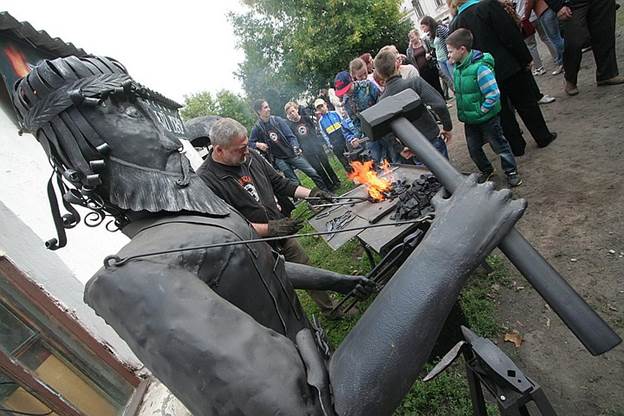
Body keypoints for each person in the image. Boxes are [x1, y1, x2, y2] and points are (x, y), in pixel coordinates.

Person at [14, 54, 528, 416]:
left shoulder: (191, 219)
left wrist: (337, 281)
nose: (164, 131)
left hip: (313, 352)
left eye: (144, 107)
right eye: (126, 111)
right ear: (86, 152)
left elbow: (260, 271)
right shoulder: (135, 277)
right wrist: (445, 252)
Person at [196, 117, 343, 315]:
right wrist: (269, 229)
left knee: (306, 270)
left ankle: (331, 310)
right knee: (279, 289)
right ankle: (300, 334)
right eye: (239, 149)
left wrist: (312, 194)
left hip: (280, 232)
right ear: (219, 150)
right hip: (254, 247)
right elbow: (225, 227)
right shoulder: (206, 181)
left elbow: (279, 183)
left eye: (246, 145)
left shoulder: (252, 157)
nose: (246, 151)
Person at [450, 0, 558, 156]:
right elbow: (510, 34)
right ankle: (542, 136)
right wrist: (525, 58)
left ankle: (516, 147)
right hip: (509, 66)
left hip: (484, 77)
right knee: (526, 103)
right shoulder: (488, 6)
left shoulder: (455, 24)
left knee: (502, 113)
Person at [447, 29, 523, 187]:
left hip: (487, 118)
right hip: (470, 119)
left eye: (450, 51)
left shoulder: (480, 68)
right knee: (474, 149)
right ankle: (487, 171)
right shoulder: (458, 68)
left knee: (499, 145)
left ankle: (511, 172)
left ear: (462, 49)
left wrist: (482, 110)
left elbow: (493, 93)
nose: (448, 55)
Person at [374, 47, 452, 161]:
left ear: (380, 74)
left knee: (427, 178)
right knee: (447, 175)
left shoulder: (382, 102)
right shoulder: (415, 82)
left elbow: (384, 131)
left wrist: (399, 148)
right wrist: (447, 127)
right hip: (431, 137)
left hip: (413, 147)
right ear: (397, 64)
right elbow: (439, 104)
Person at [545, 0, 623, 95]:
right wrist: (557, 6)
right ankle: (570, 79)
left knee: (605, 33)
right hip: (572, 3)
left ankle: (606, 74)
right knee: (574, 41)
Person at [249, 99, 329, 191]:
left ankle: (325, 192)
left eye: (268, 106)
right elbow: (249, 143)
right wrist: (257, 144)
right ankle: (311, 201)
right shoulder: (257, 128)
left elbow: (291, 136)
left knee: (312, 172)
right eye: (266, 107)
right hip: (279, 158)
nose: (269, 109)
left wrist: (295, 146)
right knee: (294, 181)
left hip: (291, 152)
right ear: (259, 111)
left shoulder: (277, 120)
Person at [336, 68, 391, 163]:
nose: (346, 92)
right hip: (369, 135)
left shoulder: (368, 86)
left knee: (395, 157)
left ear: (352, 81)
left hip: (385, 129)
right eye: (344, 91)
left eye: (347, 89)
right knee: (374, 162)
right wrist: (356, 137)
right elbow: (356, 122)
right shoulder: (347, 102)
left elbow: (382, 104)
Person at [284, 101, 341, 191]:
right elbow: (294, 139)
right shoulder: (290, 126)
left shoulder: (307, 118)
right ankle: (329, 186)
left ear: (297, 109)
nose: (292, 114)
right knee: (318, 169)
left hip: (316, 145)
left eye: (293, 111)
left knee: (326, 164)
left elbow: (315, 129)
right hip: (307, 151)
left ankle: (336, 182)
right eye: (289, 113)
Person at [315, 98, 358, 171]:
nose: (321, 109)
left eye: (322, 106)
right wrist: (330, 145)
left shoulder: (335, 113)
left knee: (353, 156)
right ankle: (353, 176)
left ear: (325, 104)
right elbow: (325, 135)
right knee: (344, 161)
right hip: (335, 143)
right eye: (319, 108)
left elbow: (344, 125)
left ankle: (360, 172)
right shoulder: (321, 122)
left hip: (344, 138)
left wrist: (351, 137)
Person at [406, 29, 445, 97]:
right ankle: (436, 104)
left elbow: (433, 50)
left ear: (417, 35)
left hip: (430, 67)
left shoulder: (425, 42)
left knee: (437, 85)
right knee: (429, 88)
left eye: (412, 37)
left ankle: (444, 102)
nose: (411, 39)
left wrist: (429, 54)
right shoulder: (409, 50)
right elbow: (410, 61)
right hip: (421, 71)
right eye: (410, 38)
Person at [420, 16, 455, 92]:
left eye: (423, 27)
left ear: (428, 24)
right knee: (450, 80)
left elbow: (450, 38)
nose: (423, 30)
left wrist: (451, 54)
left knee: (454, 77)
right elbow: (434, 47)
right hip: (440, 60)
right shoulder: (431, 34)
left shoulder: (440, 29)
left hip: (447, 58)